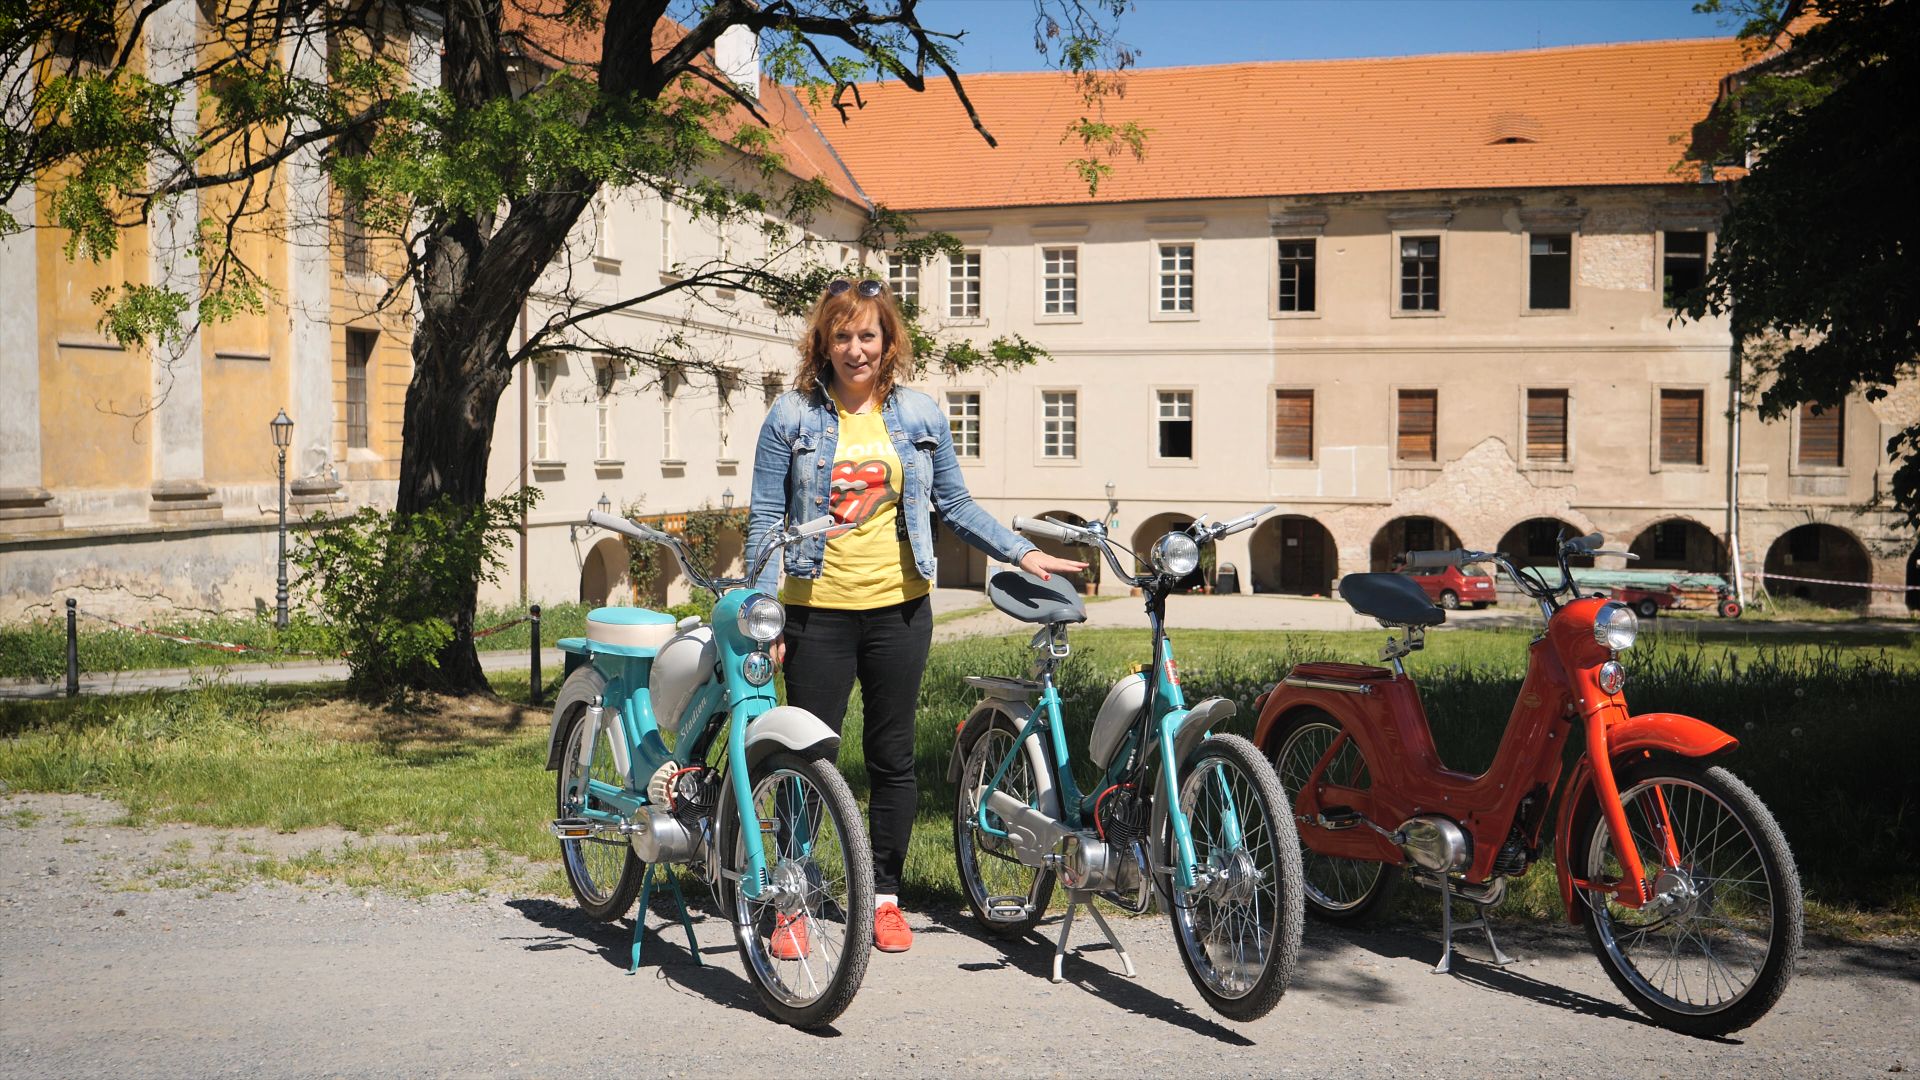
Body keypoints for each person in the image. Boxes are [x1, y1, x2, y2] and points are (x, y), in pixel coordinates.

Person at [746, 277, 1085, 954]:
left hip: (900, 611)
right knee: (807, 756)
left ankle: (885, 897)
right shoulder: (791, 417)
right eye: (841, 335)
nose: (854, 348)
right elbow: (764, 519)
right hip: (817, 615)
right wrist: (763, 613)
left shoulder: (921, 416)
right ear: (823, 343)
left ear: (888, 341)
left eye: (867, 334)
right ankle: (792, 894)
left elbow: (954, 506)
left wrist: (1022, 554)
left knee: (893, 757)